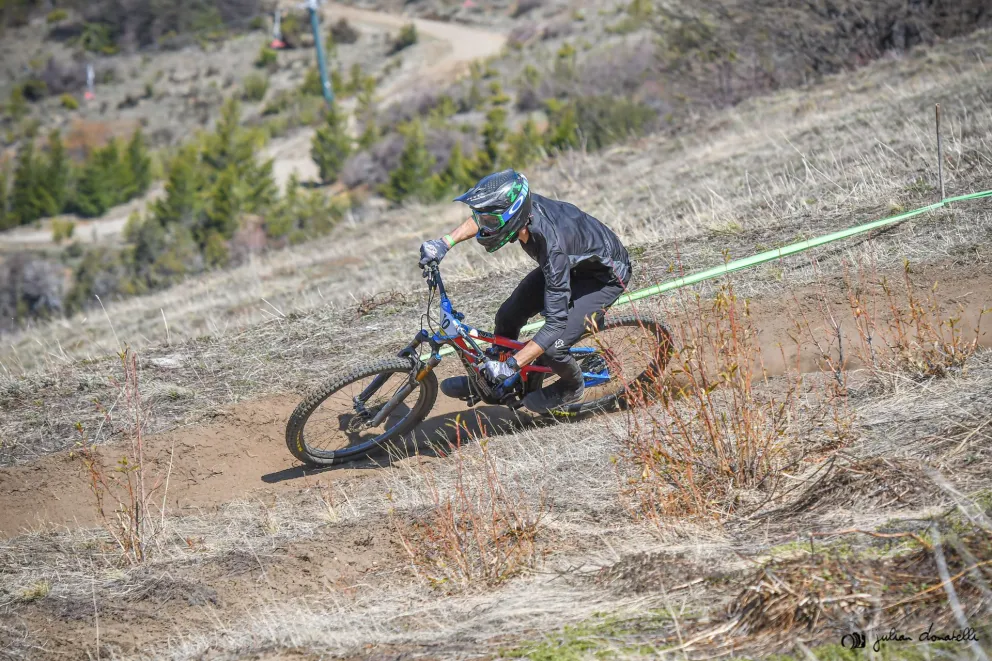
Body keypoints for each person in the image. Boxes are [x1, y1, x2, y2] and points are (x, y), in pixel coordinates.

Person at [419, 169, 632, 413]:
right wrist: (444, 243)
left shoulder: (552, 248)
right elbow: (482, 216)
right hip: (575, 265)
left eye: (490, 224)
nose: (483, 228)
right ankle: (493, 379)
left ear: (513, 218)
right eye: (484, 221)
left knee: (553, 347)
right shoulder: (520, 208)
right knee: (508, 315)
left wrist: (511, 365)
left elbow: (555, 324)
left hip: (604, 278)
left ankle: (572, 386)